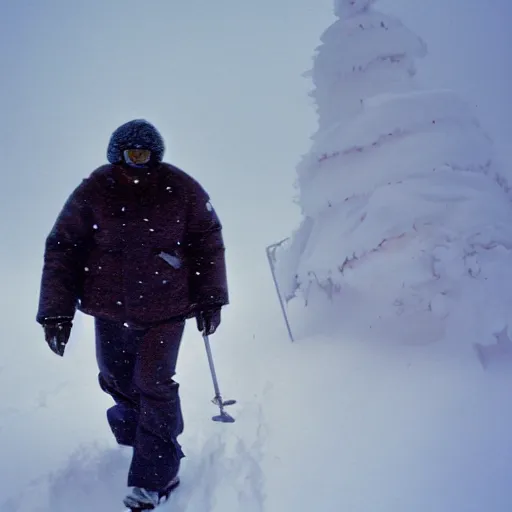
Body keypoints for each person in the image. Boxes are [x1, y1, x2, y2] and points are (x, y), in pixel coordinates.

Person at [36, 119, 229, 510]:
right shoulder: (95, 188)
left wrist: (211, 298)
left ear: (156, 156)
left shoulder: (181, 188)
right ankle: (138, 436)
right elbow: (62, 247)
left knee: (153, 382)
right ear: (116, 155)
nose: (137, 163)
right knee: (116, 380)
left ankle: (157, 474)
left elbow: (208, 242)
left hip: (167, 306)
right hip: (109, 306)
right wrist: (57, 313)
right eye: (130, 154)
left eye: (145, 155)